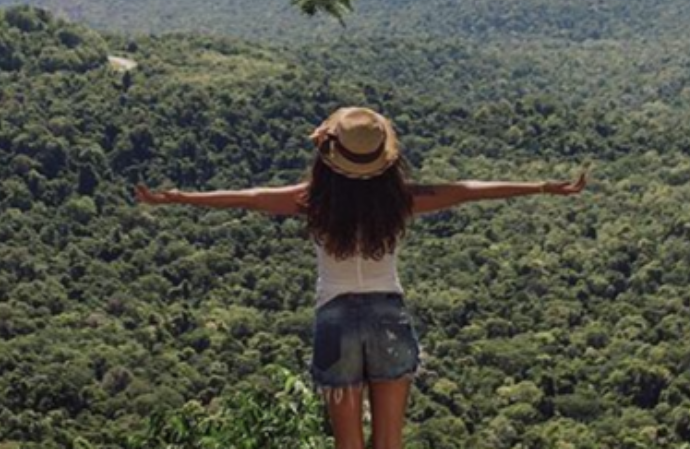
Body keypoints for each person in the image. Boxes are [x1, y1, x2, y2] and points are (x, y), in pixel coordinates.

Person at [135, 106, 589, 449]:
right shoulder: (402, 200)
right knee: (389, 442)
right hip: (388, 318)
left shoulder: (309, 200)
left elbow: (250, 198)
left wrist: (178, 198)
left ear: (330, 157)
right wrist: (544, 186)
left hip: (335, 323)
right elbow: (468, 191)